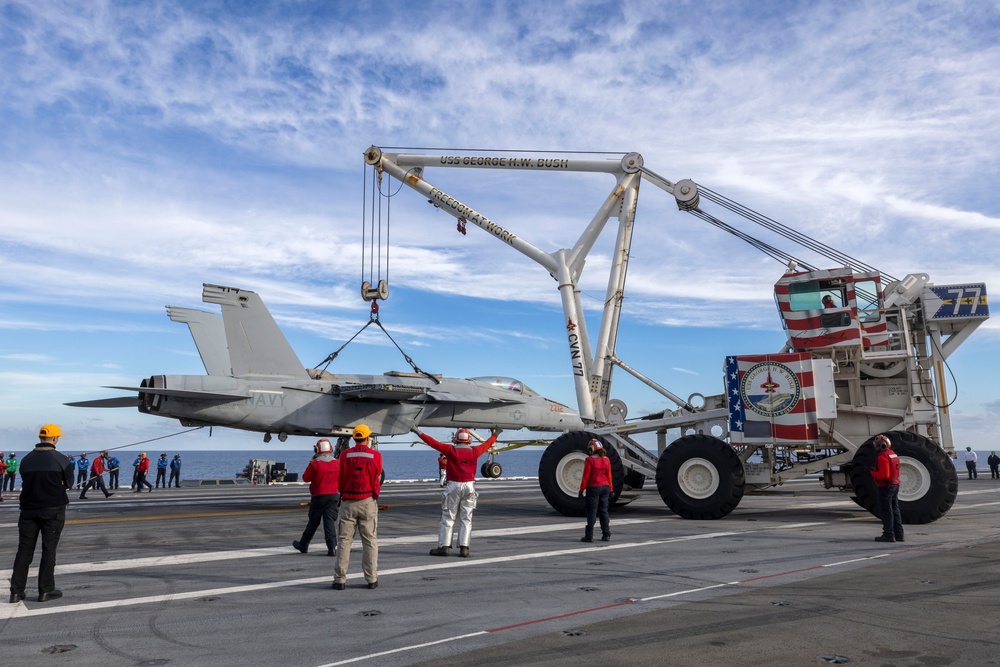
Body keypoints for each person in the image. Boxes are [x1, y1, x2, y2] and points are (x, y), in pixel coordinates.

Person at [9, 424, 75, 603]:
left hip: (28, 510)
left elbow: (25, 478)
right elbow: (69, 483)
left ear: (40, 438)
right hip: (53, 510)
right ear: (54, 439)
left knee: (24, 550)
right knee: (48, 550)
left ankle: (16, 592)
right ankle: (45, 590)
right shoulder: (61, 459)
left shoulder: (26, 459)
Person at [412, 426, 499, 558]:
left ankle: (444, 547)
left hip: (453, 486)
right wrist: (496, 434)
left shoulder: (450, 450)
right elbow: (487, 444)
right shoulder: (475, 451)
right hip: (470, 486)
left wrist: (417, 431)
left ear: (455, 440)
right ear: (469, 440)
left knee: (448, 517)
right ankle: (464, 548)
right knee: (466, 518)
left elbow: (432, 442)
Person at [332, 424, 382, 590]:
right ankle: (371, 579)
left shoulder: (345, 455)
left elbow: (340, 478)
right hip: (367, 501)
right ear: (368, 438)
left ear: (354, 438)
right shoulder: (376, 455)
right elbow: (377, 477)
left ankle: (339, 580)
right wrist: (374, 495)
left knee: (344, 541)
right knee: (370, 541)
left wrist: (344, 492)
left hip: (348, 501)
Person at [293, 439, 340, 557]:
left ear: (317, 450)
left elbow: (305, 478)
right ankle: (332, 548)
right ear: (330, 449)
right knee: (329, 522)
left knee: (313, 522)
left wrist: (311, 462)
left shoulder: (315, 464)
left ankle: (303, 545)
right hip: (334, 496)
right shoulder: (337, 463)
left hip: (319, 496)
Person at [579, 438, 613, 543]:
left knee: (592, 511)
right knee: (604, 511)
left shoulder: (590, 460)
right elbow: (609, 475)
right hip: (605, 487)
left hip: (593, 488)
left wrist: (581, 490)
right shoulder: (606, 459)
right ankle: (606, 534)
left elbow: (586, 476)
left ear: (591, 449)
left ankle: (589, 536)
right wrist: (611, 489)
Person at [870, 435, 903, 543]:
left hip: (885, 486)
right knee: (895, 509)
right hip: (895, 484)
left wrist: (872, 473)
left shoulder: (882, 456)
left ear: (882, 445)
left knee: (886, 510)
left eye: (877, 445)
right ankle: (899, 534)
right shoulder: (893, 454)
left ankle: (888, 534)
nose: (876, 448)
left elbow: (884, 475)